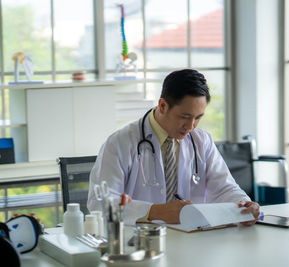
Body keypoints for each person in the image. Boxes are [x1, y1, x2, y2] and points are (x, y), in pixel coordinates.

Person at [87, 69, 260, 225]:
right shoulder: (120, 142)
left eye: (198, 117)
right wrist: (154, 212)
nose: (191, 126)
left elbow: (224, 188)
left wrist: (244, 204)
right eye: (185, 116)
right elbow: (100, 203)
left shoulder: (202, 141)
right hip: (141, 241)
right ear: (162, 105)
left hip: (193, 239)